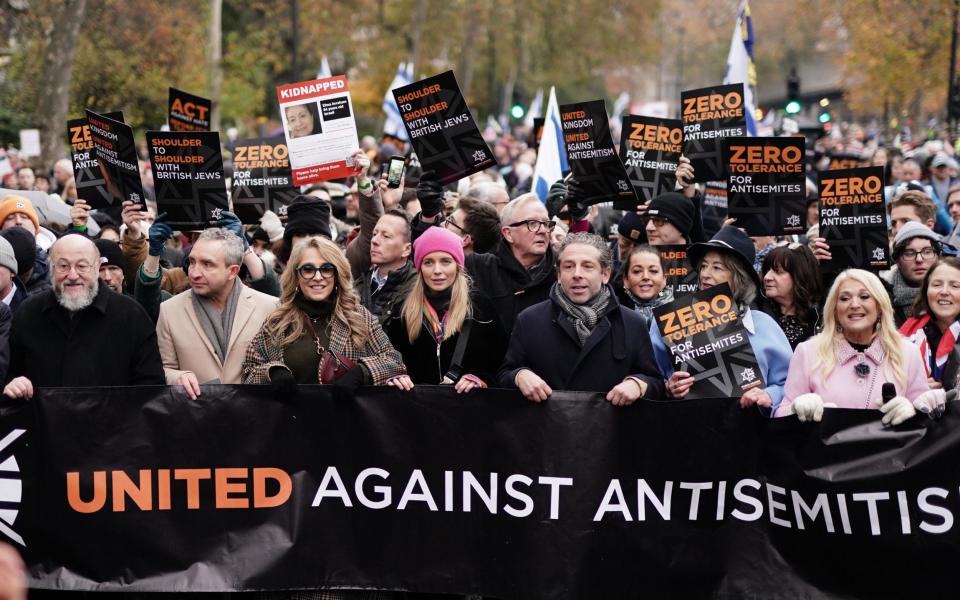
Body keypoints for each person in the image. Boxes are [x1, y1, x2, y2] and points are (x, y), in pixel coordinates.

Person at [498, 233, 664, 403]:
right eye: (569, 266)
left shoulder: (632, 323)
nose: (577, 274)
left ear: (605, 274)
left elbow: (655, 382)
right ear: (559, 275)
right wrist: (520, 376)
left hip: (612, 427)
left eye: (587, 266)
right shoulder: (529, 320)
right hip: (548, 426)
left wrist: (637, 384)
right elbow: (504, 375)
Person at [652, 226, 793, 414]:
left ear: (739, 278)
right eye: (703, 266)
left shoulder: (765, 326)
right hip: (687, 431)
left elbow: (790, 385)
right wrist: (667, 388)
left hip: (749, 435)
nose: (705, 274)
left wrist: (769, 395)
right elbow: (650, 377)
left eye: (717, 267)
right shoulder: (671, 321)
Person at [4, 235, 164, 398]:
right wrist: (12, 385)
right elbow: (9, 373)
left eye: (82, 266)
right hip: (42, 422)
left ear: (97, 267)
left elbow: (151, 389)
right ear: (51, 268)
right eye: (63, 266)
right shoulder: (28, 314)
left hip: (113, 423)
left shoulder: (131, 316)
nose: (72, 275)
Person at [242, 236, 405, 391]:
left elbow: (393, 360)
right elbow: (249, 371)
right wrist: (272, 373)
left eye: (326, 269)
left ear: (337, 275)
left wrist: (363, 372)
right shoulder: (278, 321)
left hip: (345, 418)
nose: (318, 277)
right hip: (292, 418)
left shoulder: (358, 316)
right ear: (296, 276)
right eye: (308, 269)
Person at [776, 269, 931, 425]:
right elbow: (780, 414)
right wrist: (796, 408)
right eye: (844, 298)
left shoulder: (907, 352)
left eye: (864, 297)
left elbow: (924, 415)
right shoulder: (808, 352)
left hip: (889, 448)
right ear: (835, 310)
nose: (854, 305)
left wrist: (913, 411)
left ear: (879, 307)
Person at [157, 228, 278, 399]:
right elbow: (161, 369)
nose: (194, 273)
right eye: (192, 262)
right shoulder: (169, 310)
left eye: (207, 264)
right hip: (195, 415)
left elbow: (279, 364)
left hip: (253, 416)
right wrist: (177, 377)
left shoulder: (269, 307)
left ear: (233, 271)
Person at [384, 227, 507, 390]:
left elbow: (502, 363)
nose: (437, 271)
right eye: (428, 262)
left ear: (457, 266)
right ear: (420, 268)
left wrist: (482, 380)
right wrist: (396, 377)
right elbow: (390, 360)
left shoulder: (481, 307)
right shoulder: (402, 311)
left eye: (445, 261)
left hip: (468, 409)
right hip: (417, 409)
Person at [465, 194, 557, 332]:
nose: (543, 230)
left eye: (546, 224)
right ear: (508, 234)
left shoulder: (562, 270)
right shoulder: (480, 267)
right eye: (532, 223)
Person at [899, 258, 960, 389]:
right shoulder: (905, 336)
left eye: (955, 286)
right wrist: (915, 390)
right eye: (937, 285)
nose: (944, 291)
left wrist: (949, 390)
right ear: (926, 291)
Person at [759, 243, 823, 348]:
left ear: (799, 275)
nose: (767, 277)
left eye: (778, 272)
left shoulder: (821, 316)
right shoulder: (754, 310)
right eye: (766, 270)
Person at [883, 221, 942, 326]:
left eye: (927, 252)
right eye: (909, 253)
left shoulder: (954, 294)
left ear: (938, 256)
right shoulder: (882, 300)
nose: (919, 259)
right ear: (897, 261)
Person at [617, 244, 673, 330]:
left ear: (664, 278)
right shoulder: (614, 314)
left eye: (653, 271)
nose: (645, 276)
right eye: (637, 271)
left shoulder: (680, 312)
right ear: (626, 279)